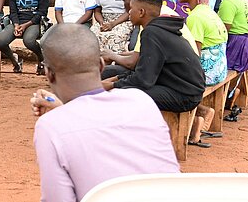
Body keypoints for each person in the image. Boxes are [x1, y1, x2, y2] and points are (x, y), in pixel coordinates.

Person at [30, 24, 179, 202]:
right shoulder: (141, 101)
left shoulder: (50, 127)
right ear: (101, 65)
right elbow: (95, 115)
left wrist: (59, 113)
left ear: (49, 74)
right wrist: (60, 107)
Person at [108, 0, 205, 113]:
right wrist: (115, 79)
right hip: (183, 88)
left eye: (131, 8)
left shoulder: (151, 33)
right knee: (116, 81)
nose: (129, 12)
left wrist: (112, 85)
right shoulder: (158, 28)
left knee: (122, 94)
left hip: (185, 95)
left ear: (142, 12)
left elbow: (143, 80)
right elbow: (145, 70)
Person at [101, 0, 200, 80]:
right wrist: (116, 55)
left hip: (179, 78)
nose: (125, 6)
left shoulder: (150, 22)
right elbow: (141, 54)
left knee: (108, 72)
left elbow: (132, 63)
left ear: (135, 2)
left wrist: (112, 56)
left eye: (125, 1)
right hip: (187, 73)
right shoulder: (159, 11)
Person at [179, 0, 228, 147]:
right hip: (220, 68)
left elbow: (195, 55)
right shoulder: (208, 12)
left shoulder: (195, 18)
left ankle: (196, 122)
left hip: (209, 72)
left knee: (172, 79)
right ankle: (202, 112)